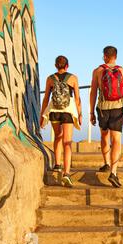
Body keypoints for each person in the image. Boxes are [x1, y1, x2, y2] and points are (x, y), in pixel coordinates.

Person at [90, 46, 123, 188]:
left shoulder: (98, 71)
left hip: (102, 109)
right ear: (116, 56)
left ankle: (106, 163)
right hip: (117, 109)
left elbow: (93, 93)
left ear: (104, 56)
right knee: (117, 141)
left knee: (104, 137)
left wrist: (91, 112)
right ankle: (113, 172)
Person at [40, 56, 82, 187]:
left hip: (54, 111)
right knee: (67, 142)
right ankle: (66, 173)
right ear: (67, 66)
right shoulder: (73, 78)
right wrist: (79, 114)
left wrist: (42, 115)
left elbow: (46, 98)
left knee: (58, 137)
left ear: (55, 65)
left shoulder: (50, 79)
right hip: (68, 111)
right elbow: (77, 99)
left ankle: (57, 165)